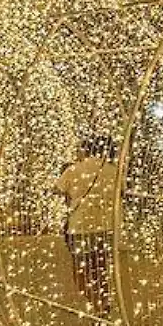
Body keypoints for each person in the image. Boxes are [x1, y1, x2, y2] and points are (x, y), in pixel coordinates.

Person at [54, 135, 120, 314]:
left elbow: (57, 189)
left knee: (81, 272)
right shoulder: (114, 170)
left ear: (87, 149)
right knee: (101, 269)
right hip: (106, 227)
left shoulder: (74, 170)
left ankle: (96, 304)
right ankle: (104, 301)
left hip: (80, 227)